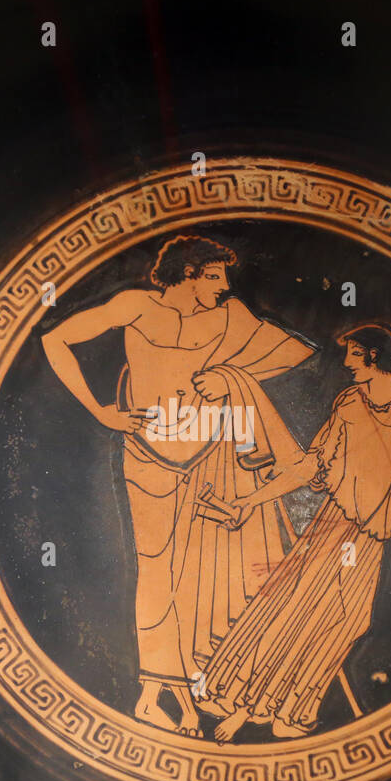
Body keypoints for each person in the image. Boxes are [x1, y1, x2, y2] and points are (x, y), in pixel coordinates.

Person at [41, 235, 313, 736]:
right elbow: (55, 340)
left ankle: (188, 688)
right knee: (156, 568)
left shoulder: (230, 316)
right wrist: (101, 411)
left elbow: (295, 353)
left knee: (198, 575)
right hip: (149, 453)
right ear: (187, 274)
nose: (224, 286)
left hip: (211, 453)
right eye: (213, 276)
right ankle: (158, 691)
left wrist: (232, 377)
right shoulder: (137, 306)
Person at [199, 324, 391, 742]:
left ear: (374, 356)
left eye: (355, 354)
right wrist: (247, 502)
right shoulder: (350, 404)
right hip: (335, 525)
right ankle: (245, 708)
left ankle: (288, 706)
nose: (349, 363)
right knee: (299, 609)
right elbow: (310, 467)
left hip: (370, 535)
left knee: (343, 621)